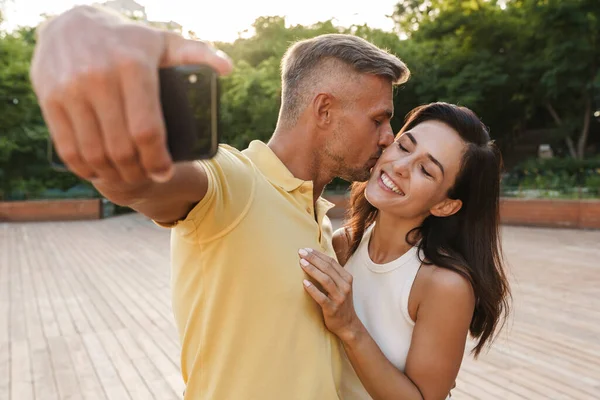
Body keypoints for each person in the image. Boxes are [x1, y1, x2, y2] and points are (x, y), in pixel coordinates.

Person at [30, 5, 410, 399]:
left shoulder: (318, 215)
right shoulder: (237, 182)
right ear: (324, 110)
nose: (389, 136)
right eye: (378, 119)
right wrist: (79, 41)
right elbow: (142, 184)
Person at [298, 102, 511, 399]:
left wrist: (349, 326)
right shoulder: (344, 244)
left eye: (425, 170)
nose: (399, 167)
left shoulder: (443, 284)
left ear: (445, 205)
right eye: (404, 147)